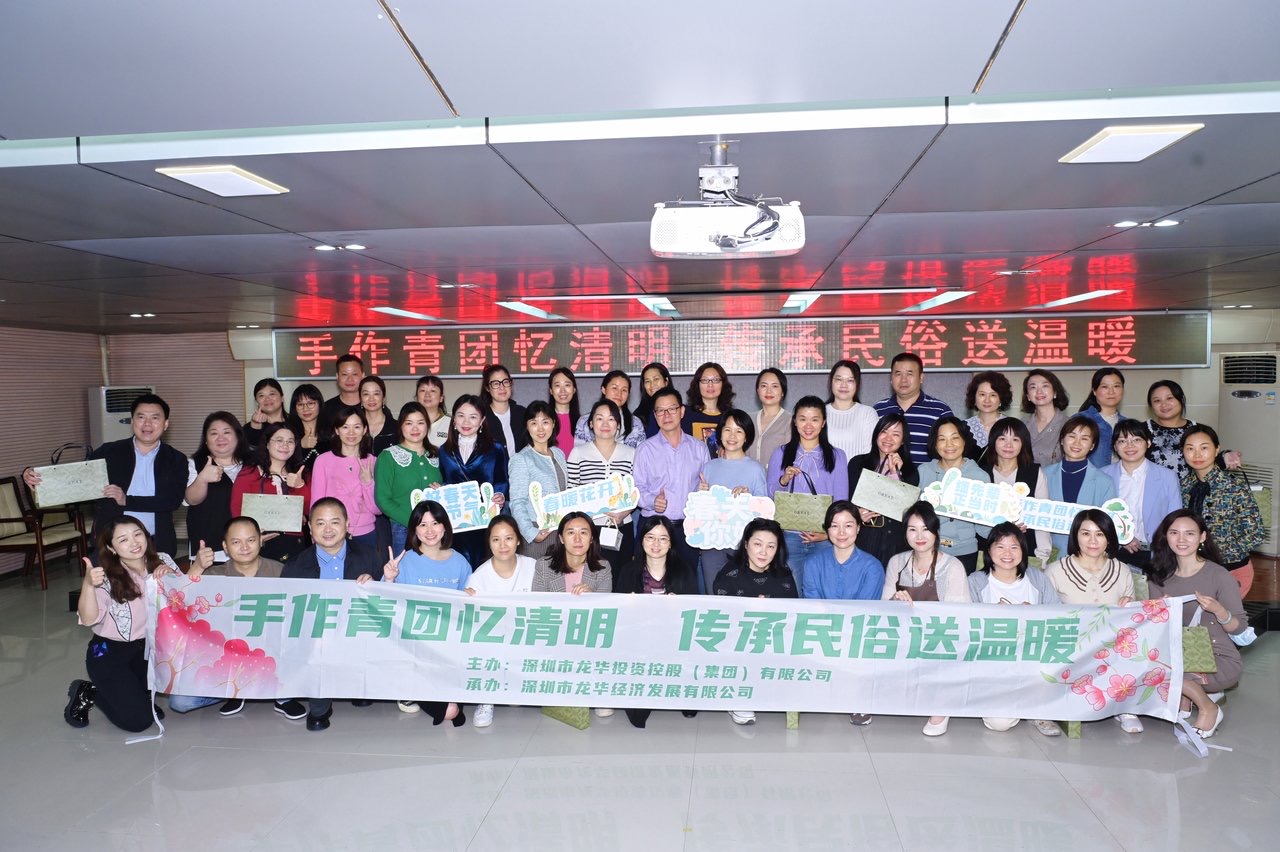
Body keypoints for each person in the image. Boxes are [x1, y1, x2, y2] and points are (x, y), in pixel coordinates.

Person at [26, 393, 187, 557]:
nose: (147, 423)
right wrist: (38, 476)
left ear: (166, 424)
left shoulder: (176, 459)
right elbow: (78, 479)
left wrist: (126, 500)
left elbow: (172, 501)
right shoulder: (108, 452)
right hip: (110, 544)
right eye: (141, 417)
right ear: (132, 421)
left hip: (156, 543)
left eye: (155, 418)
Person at [63, 517, 177, 732]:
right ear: (111, 548)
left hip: (149, 649)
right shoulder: (104, 576)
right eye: (123, 539)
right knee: (139, 722)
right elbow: (88, 619)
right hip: (109, 652)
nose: (134, 542)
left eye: (137, 534)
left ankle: (136, 697)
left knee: (155, 694)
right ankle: (89, 691)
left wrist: (176, 579)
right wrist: (88, 585)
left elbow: (188, 603)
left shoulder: (163, 561)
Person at [1146, 510, 1249, 738]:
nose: (1181, 539)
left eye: (1190, 533)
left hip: (1217, 658)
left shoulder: (1219, 575)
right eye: (1174, 533)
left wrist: (1219, 610)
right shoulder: (1158, 576)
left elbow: (1240, 627)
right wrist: (1159, 613)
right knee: (1144, 663)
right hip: (1178, 654)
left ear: (1202, 537)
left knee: (1165, 671)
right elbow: (1156, 633)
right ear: (1165, 536)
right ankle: (1187, 696)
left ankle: (1208, 707)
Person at [281, 498, 381, 731]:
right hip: (317, 637)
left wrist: (376, 584)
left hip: (357, 630)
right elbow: (289, 615)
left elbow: (386, 602)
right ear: (310, 528)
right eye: (320, 523)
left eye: (335, 522)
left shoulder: (370, 556)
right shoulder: (295, 566)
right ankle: (320, 704)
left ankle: (359, 685)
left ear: (347, 524)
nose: (328, 529)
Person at [172, 516, 285, 717]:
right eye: (236, 542)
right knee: (181, 702)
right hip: (226, 658)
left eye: (251, 540)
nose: (244, 547)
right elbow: (178, 601)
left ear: (261, 540)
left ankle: (275, 692)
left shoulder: (280, 571)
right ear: (225, 546)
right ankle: (237, 690)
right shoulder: (214, 574)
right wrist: (197, 567)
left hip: (273, 655)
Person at [1045, 509, 1141, 733]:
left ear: (1109, 538)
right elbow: (1046, 617)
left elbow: (1131, 620)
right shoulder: (1055, 570)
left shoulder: (1122, 570)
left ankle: (1124, 705)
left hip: (1112, 647)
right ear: (1075, 536)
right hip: (1070, 646)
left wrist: (1129, 605)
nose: (1092, 541)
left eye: (1100, 534)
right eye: (1085, 533)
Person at [882, 501, 971, 736]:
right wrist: (895, 601)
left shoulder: (952, 566)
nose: (919, 536)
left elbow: (959, 618)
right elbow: (883, 608)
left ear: (936, 532)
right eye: (912, 529)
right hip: (904, 637)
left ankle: (942, 702)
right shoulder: (896, 562)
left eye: (926, 529)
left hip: (939, 639)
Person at [968, 523, 1063, 737]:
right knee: (1000, 723)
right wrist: (994, 615)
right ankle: (1018, 702)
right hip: (994, 664)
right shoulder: (975, 581)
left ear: (1023, 550)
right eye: (1000, 547)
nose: (1007, 553)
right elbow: (966, 627)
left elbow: (1058, 617)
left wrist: (1034, 614)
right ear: (989, 550)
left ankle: (1034, 708)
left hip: (1034, 661)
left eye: (1014, 547)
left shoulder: (1037, 579)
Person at [381, 499, 470, 725]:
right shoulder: (404, 562)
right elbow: (382, 606)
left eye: (435, 523)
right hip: (414, 647)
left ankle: (419, 690)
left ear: (445, 527)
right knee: (450, 711)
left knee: (452, 705)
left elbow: (468, 611)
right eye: (422, 525)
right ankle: (409, 687)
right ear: (414, 530)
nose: (430, 531)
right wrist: (389, 579)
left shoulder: (460, 562)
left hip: (449, 646)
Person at [613, 516, 698, 728]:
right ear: (641, 540)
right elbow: (618, 617)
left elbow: (695, 613)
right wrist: (628, 606)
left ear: (671, 543)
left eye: (663, 538)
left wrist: (678, 607)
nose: (656, 544)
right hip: (639, 641)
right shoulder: (628, 571)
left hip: (675, 639)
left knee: (689, 704)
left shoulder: (684, 571)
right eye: (650, 537)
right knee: (637, 717)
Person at [802, 501, 882, 725]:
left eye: (848, 525)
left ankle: (858, 695)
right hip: (822, 631)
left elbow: (864, 611)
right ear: (827, 529)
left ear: (859, 527)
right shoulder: (813, 563)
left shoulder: (872, 566)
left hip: (857, 635)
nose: (841, 532)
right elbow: (812, 604)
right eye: (834, 526)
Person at [712, 518, 798, 726]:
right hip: (738, 638)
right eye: (758, 544)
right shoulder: (729, 575)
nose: (763, 552)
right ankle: (738, 697)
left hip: (773, 636)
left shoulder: (783, 573)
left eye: (771, 546)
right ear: (746, 544)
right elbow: (721, 619)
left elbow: (793, 612)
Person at [766, 396, 849, 590]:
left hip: (824, 537)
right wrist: (784, 479)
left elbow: (841, 500)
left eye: (815, 419)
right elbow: (769, 495)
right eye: (802, 419)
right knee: (792, 592)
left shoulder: (837, 455)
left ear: (823, 422)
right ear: (794, 422)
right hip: (789, 536)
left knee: (821, 590)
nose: (808, 425)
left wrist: (827, 533)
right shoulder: (780, 453)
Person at [465, 516, 537, 728]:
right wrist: (465, 601)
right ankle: (486, 698)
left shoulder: (533, 567)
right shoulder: (478, 577)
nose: (503, 545)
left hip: (527, 636)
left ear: (518, 540)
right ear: (489, 543)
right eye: (496, 539)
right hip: (494, 642)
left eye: (509, 538)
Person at [634, 387, 711, 576]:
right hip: (654, 527)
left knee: (686, 582)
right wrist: (652, 501)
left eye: (672, 409)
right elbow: (636, 490)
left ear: (682, 411)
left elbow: (707, 485)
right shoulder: (645, 449)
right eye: (660, 410)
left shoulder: (699, 448)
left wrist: (705, 492)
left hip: (688, 529)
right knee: (650, 583)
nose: (666, 415)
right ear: (655, 415)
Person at [1181, 424, 1263, 595]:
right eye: (1190, 448)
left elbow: (1255, 533)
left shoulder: (1234, 486)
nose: (1197, 454)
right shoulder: (1183, 485)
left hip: (1231, 570)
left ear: (1217, 449)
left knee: (1225, 612)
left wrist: (1218, 554)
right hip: (1191, 570)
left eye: (1204, 448)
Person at [696, 409, 768, 590]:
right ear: (720, 433)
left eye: (739, 431)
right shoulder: (709, 467)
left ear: (746, 436)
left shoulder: (755, 469)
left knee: (743, 595)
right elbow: (697, 510)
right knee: (714, 592)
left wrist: (749, 500)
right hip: (713, 544)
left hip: (743, 546)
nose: (732, 436)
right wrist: (700, 494)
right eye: (727, 430)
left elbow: (765, 514)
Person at [438, 394, 510, 567]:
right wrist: (439, 489)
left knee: (484, 564)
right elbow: (446, 481)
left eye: (473, 417)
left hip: (484, 519)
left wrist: (499, 495)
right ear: (453, 419)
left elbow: (502, 480)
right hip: (456, 522)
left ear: (482, 420)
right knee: (457, 564)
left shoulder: (495, 448)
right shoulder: (444, 451)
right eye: (461, 415)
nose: (466, 422)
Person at [567, 399, 636, 575]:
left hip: (622, 526)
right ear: (591, 423)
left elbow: (636, 491)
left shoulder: (631, 454)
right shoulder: (578, 453)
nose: (605, 424)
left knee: (621, 576)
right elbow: (571, 491)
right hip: (589, 529)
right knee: (591, 578)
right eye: (599, 418)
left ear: (618, 425)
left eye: (611, 419)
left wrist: (624, 513)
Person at [1102, 419, 1181, 569]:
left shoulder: (1167, 477)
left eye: (1137, 440)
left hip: (1155, 553)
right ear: (1115, 446)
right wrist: (1122, 536)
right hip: (1112, 552)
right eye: (1122, 441)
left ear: (1148, 443)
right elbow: (1098, 517)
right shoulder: (1102, 475)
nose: (1130, 446)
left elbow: (1175, 518)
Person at [916, 416, 990, 574]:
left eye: (955, 438)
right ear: (935, 444)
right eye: (942, 439)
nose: (949, 445)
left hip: (965, 552)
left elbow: (984, 526)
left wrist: (1006, 525)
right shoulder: (923, 472)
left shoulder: (980, 476)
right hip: (928, 549)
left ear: (964, 440)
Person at [230, 422, 312, 563]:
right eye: (279, 440)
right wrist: (251, 538)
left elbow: (309, 510)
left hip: (294, 543)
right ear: (267, 444)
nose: (285, 445)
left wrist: (300, 486)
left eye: (290, 441)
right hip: (259, 543)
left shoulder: (302, 474)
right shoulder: (249, 473)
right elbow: (237, 510)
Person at [847, 413, 919, 567]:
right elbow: (848, 500)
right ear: (876, 435)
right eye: (884, 431)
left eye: (896, 434)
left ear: (903, 441)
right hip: (863, 537)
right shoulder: (857, 463)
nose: (888, 438)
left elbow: (904, 510)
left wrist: (895, 473)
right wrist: (856, 514)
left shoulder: (910, 471)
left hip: (894, 541)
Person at [1043, 415, 1118, 559]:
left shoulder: (1104, 482)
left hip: (1089, 557)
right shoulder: (1044, 475)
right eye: (1072, 436)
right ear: (1062, 440)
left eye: (1084, 438)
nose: (1077, 443)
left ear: (1092, 445)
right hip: (1050, 556)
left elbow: (1109, 527)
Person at [978, 417, 1051, 563]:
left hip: (1025, 550)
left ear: (1023, 443)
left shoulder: (1035, 473)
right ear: (993, 441)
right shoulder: (980, 473)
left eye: (1015, 439)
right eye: (1002, 439)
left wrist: (1043, 555)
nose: (1008, 445)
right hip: (986, 550)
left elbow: (1042, 517)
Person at [375, 402, 442, 555]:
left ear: (427, 425)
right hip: (402, 528)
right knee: (405, 568)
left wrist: (442, 489)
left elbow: (447, 485)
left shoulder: (437, 454)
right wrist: (414, 522)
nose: (415, 428)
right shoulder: (388, 456)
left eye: (420, 423)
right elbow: (382, 500)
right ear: (401, 426)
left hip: (436, 529)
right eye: (409, 423)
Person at [310, 406, 380, 549]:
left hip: (365, 534)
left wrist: (367, 483)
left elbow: (377, 510)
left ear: (365, 430)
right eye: (345, 427)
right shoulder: (323, 461)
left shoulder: (374, 461)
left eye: (357, 427)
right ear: (337, 430)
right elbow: (316, 504)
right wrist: (315, 536)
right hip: (331, 533)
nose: (351, 432)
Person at [184, 411, 249, 563]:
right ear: (206, 440)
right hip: (210, 551)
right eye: (214, 433)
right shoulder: (194, 464)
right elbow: (191, 499)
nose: (220, 438)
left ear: (238, 436)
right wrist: (202, 478)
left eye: (227, 432)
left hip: (249, 548)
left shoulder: (254, 464)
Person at [507, 401, 568, 560]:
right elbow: (517, 501)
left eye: (545, 422)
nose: (540, 429)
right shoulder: (521, 459)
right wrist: (531, 533)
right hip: (537, 531)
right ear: (527, 426)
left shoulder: (559, 453)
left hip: (560, 531)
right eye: (534, 423)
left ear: (553, 423)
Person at [873, 352, 953, 465]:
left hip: (927, 476)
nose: (903, 380)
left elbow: (951, 452)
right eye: (898, 374)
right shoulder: (878, 410)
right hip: (884, 475)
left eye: (909, 374)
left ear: (921, 378)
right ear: (891, 378)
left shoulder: (940, 411)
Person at [574, 370, 646, 449]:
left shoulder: (636, 423)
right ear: (603, 389)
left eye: (624, 390)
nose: (619, 393)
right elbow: (579, 452)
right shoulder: (584, 421)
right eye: (615, 388)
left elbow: (641, 453)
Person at [824, 359, 879, 462]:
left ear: (857, 384)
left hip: (858, 472)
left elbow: (871, 454)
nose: (843, 385)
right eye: (839, 379)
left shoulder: (867, 413)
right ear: (831, 381)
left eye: (850, 380)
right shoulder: (820, 413)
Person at [1078, 368, 1125, 467]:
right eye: (1105, 387)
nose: (1111, 392)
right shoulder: (1080, 420)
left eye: (1116, 386)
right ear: (1094, 391)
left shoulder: (1126, 423)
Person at [1022, 369, 1070, 467]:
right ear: (1028, 396)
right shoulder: (1021, 425)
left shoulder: (1069, 424)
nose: (1039, 391)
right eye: (1033, 387)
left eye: (1045, 386)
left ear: (1055, 392)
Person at [683, 361, 733, 455]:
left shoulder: (731, 416)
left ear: (723, 384)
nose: (710, 384)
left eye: (716, 380)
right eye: (705, 380)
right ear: (697, 384)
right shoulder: (685, 414)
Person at [480, 364, 527, 454]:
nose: (502, 387)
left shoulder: (522, 413)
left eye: (505, 382)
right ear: (487, 388)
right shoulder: (481, 417)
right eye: (496, 383)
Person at [749, 367, 790, 468]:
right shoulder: (748, 419)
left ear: (783, 392)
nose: (768, 391)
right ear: (757, 390)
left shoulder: (790, 421)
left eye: (775, 386)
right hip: (747, 477)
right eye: (764, 386)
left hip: (778, 477)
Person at [964, 370, 1013, 455]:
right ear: (974, 398)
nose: (987, 400)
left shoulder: (1012, 426)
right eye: (982, 394)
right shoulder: (962, 427)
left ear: (1001, 399)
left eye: (993, 395)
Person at [318, 354, 364, 435]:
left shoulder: (372, 407)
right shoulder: (326, 409)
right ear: (337, 376)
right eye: (344, 374)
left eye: (354, 374)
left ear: (362, 376)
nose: (350, 379)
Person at [285, 383, 325, 470]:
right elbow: (283, 463)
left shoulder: (332, 430)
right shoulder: (286, 431)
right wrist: (300, 446)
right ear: (295, 408)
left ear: (319, 404)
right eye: (300, 405)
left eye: (310, 403)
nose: (305, 409)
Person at [359, 375, 398, 455]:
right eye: (366, 394)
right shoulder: (354, 428)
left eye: (376, 394)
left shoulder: (397, 428)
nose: (371, 399)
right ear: (360, 398)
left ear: (383, 397)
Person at [244, 378, 288, 448]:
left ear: (282, 398)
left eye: (272, 394)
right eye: (261, 395)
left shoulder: (296, 423)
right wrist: (255, 429)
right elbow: (249, 452)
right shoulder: (249, 428)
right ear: (256, 402)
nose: (267, 399)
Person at [547, 366, 581, 456]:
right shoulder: (544, 421)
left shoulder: (582, 422)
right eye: (557, 385)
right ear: (551, 390)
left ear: (574, 389)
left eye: (567, 385)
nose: (563, 390)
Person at [636, 362, 672, 438]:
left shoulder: (682, 411)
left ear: (666, 381)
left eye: (656, 379)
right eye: (647, 381)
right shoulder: (638, 416)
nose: (652, 385)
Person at [415, 374, 451, 450]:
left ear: (441, 398)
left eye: (433, 391)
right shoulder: (408, 422)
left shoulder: (451, 423)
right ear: (417, 397)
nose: (427, 395)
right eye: (423, 390)